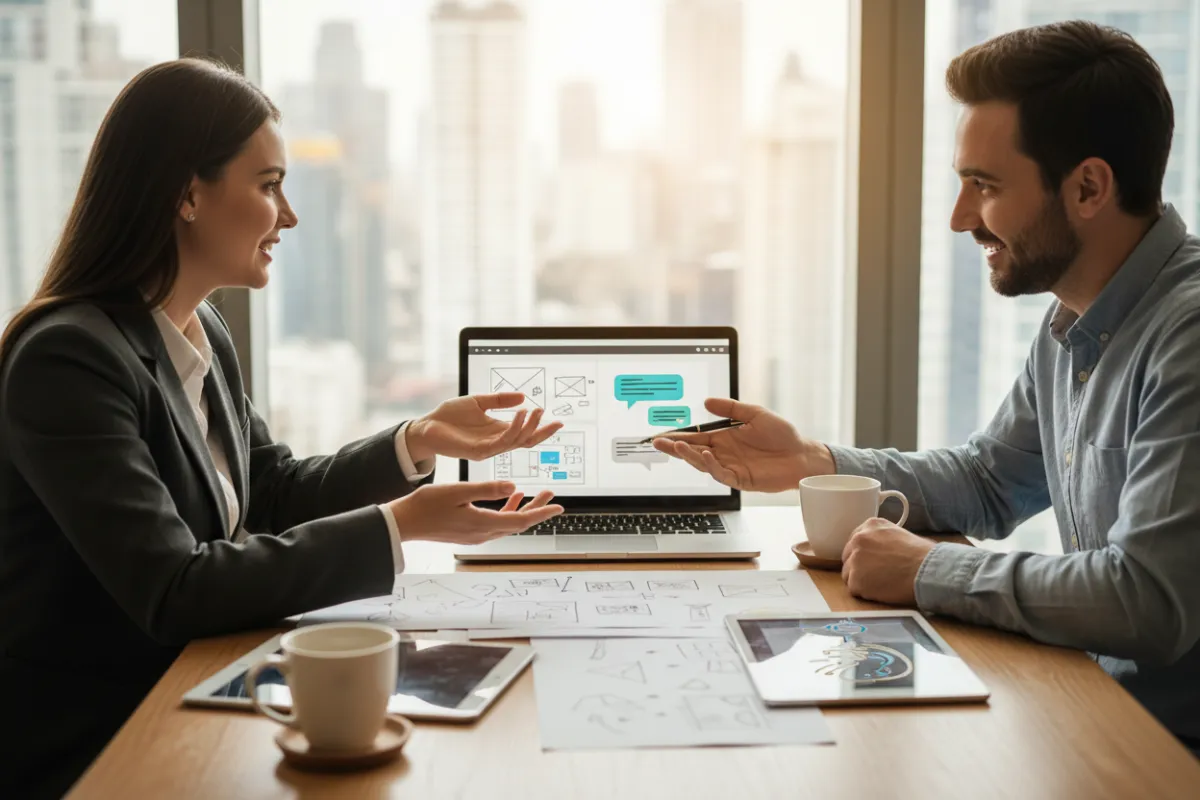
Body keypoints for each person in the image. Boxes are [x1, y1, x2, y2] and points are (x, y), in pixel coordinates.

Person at [0, 59, 564, 798]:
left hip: (194, 695)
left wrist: (417, 441)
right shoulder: (68, 359)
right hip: (104, 743)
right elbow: (174, 588)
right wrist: (400, 526)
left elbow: (268, 492)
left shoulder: (198, 327)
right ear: (187, 195)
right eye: (268, 186)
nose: (289, 215)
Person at [655, 21, 1200, 753]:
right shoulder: (1073, 322)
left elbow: (1148, 601)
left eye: (985, 186)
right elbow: (987, 481)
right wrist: (814, 462)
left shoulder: (1187, 336)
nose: (959, 218)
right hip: (1106, 722)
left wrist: (929, 570)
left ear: (1089, 187)